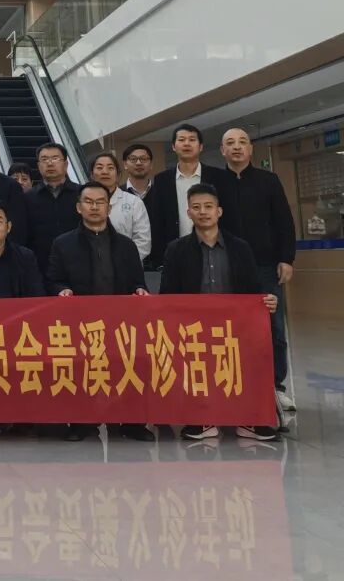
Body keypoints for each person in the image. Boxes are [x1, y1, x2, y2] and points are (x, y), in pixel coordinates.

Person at [160, 183, 280, 442]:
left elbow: (254, 291)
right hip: (193, 328)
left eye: (208, 206)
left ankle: (248, 420)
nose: (203, 212)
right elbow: (168, 294)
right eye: (196, 207)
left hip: (235, 327)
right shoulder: (176, 250)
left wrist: (267, 301)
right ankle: (203, 419)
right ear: (188, 213)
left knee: (243, 366)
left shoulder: (240, 247)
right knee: (198, 370)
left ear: (219, 211)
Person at [47, 182, 151, 442]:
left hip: (120, 322)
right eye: (89, 202)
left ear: (109, 207)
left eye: (100, 202)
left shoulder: (126, 246)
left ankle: (131, 423)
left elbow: (138, 282)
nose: (94, 207)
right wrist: (62, 290)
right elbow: (54, 280)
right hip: (80, 322)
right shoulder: (63, 244)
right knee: (83, 370)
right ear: (78, 207)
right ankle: (83, 422)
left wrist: (140, 290)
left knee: (126, 368)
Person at [215, 128, 297, 412]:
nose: (236, 147)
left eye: (242, 142)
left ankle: (276, 387)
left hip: (265, 266)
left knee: (273, 328)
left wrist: (286, 258)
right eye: (230, 143)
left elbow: (284, 221)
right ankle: (233, 384)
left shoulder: (269, 180)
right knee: (228, 329)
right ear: (222, 151)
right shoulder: (214, 182)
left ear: (251, 148)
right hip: (226, 265)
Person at [148, 124, 223, 265]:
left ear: (201, 147)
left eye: (192, 140)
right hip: (175, 252)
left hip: (213, 250)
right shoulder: (162, 180)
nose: (187, 143)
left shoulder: (218, 176)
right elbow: (157, 220)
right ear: (173, 146)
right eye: (181, 140)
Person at [24, 142, 81, 274]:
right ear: (38, 166)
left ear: (66, 164)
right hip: (40, 267)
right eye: (44, 159)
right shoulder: (27, 198)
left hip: (78, 265)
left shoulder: (81, 194)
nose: (49, 163)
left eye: (55, 158)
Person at [89, 152, 151, 262]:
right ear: (92, 174)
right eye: (99, 168)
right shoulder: (82, 202)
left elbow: (143, 242)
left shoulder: (134, 202)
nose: (105, 172)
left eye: (110, 168)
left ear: (118, 175)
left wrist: (120, 261)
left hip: (126, 265)